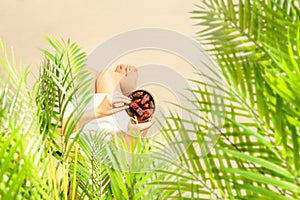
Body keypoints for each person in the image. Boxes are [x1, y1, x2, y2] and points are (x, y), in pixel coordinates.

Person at [75, 64, 153, 149]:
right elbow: (127, 157)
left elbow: (61, 131)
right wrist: (135, 132)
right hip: (111, 138)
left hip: (80, 133)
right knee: (106, 76)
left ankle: (124, 94)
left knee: (87, 72)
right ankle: (127, 93)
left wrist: (99, 111)